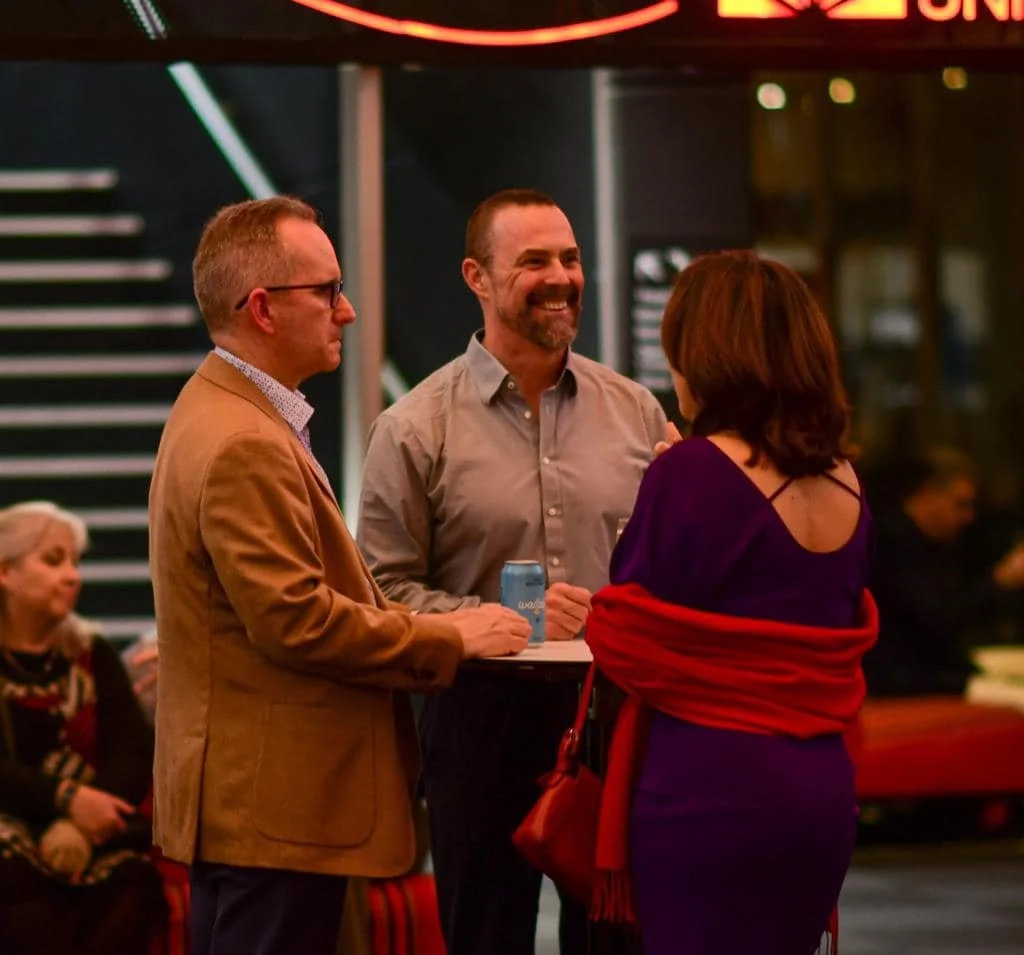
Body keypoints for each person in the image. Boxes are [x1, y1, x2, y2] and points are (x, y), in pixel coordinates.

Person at [148, 196, 531, 955]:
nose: (347, 311)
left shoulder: (227, 412)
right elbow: (297, 619)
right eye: (326, 291)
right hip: (275, 815)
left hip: (265, 811)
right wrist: (449, 634)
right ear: (262, 307)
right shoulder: (241, 441)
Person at [357, 187, 668, 955]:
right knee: (486, 934)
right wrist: (505, 620)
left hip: (612, 716)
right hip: (477, 716)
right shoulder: (414, 426)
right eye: (533, 260)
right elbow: (381, 588)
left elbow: (673, 566)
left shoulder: (638, 414)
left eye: (569, 257)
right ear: (477, 277)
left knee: (618, 940)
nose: (561, 275)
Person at [584, 250, 879, 955]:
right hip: (819, 788)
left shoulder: (690, 470)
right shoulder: (847, 479)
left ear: (709, 354)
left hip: (709, 787)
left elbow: (624, 631)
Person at [0, 500, 166, 954]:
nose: (73, 576)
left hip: (91, 838)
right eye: (54, 561)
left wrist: (84, 823)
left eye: (75, 562)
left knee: (135, 886)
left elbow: (133, 754)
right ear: (4, 571)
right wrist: (67, 800)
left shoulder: (90, 651)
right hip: (10, 835)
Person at [864, 447, 1024, 697]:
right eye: (961, 504)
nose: (969, 517)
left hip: (936, 669)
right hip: (909, 680)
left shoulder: (933, 543)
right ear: (927, 495)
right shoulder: (891, 542)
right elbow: (939, 620)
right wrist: (1001, 581)